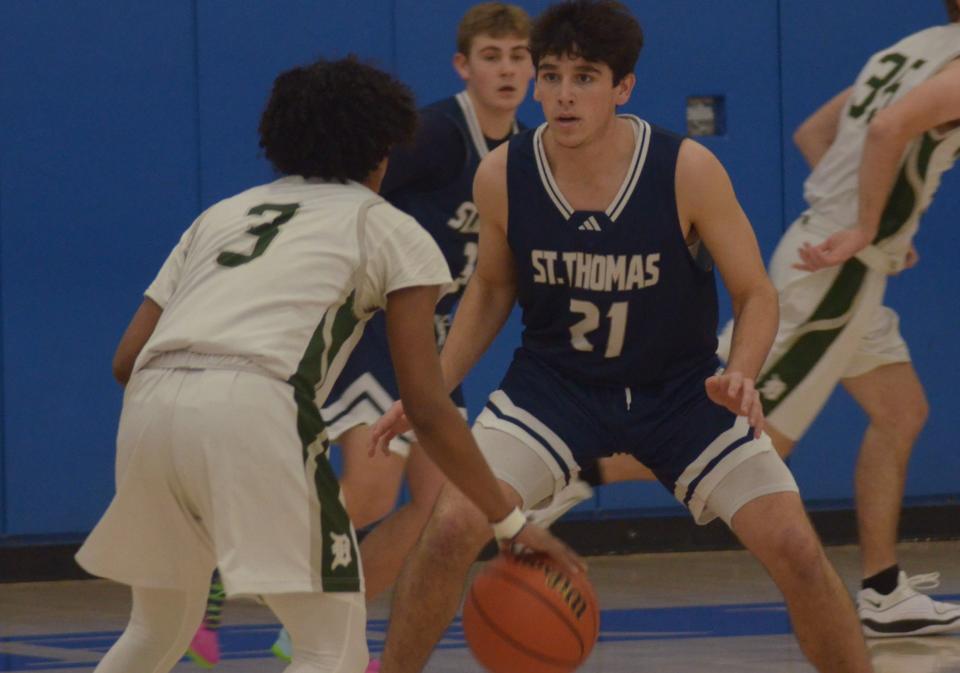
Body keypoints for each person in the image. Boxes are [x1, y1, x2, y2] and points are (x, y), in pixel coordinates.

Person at [371, 2, 874, 671]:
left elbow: (756, 292)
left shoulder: (685, 169)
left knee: (798, 549)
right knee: (452, 527)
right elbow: (492, 289)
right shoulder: (503, 173)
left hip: (683, 392)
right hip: (555, 387)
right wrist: (429, 388)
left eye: (585, 77)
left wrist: (743, 371)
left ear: (623, 87)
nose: (563, 94)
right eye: (550, 76)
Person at [74, 55, 579, 673]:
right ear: (383, 149)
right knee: (332, 646)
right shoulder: (389, 229)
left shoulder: (222, 215)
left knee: (154, 631)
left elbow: (128, 358)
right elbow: (426, 404)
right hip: (254, 406)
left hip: (148, 408)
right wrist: (507, 520)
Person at [185, 5, 537, 669]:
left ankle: (315, 633)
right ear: (464, 65)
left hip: (444, 342)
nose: (508, 69)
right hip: (384, 327)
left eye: (519, 57)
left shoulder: (525, 153)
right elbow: (344, 189)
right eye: (493, 55)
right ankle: (226, 571)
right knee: (373, 492)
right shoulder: (436, 135)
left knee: (437, 509)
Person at [717, 0, 960, 638]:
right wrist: (866, 227)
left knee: (901, 410)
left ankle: (882, 591)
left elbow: (813, 134)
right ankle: (576, 469)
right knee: (744, 437)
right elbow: (885, 132)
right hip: (837, 266)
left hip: (846, 257)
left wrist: (875, 226)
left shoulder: (911, 48)